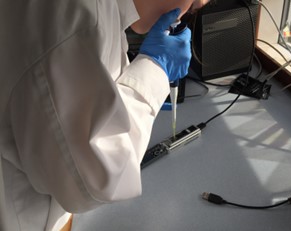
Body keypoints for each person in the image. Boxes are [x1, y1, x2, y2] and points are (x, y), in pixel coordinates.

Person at [0, 0, 209, 230]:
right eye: (195, 4)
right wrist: (155, 69)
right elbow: (93, 181)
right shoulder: (78, 21)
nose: (184, 15)